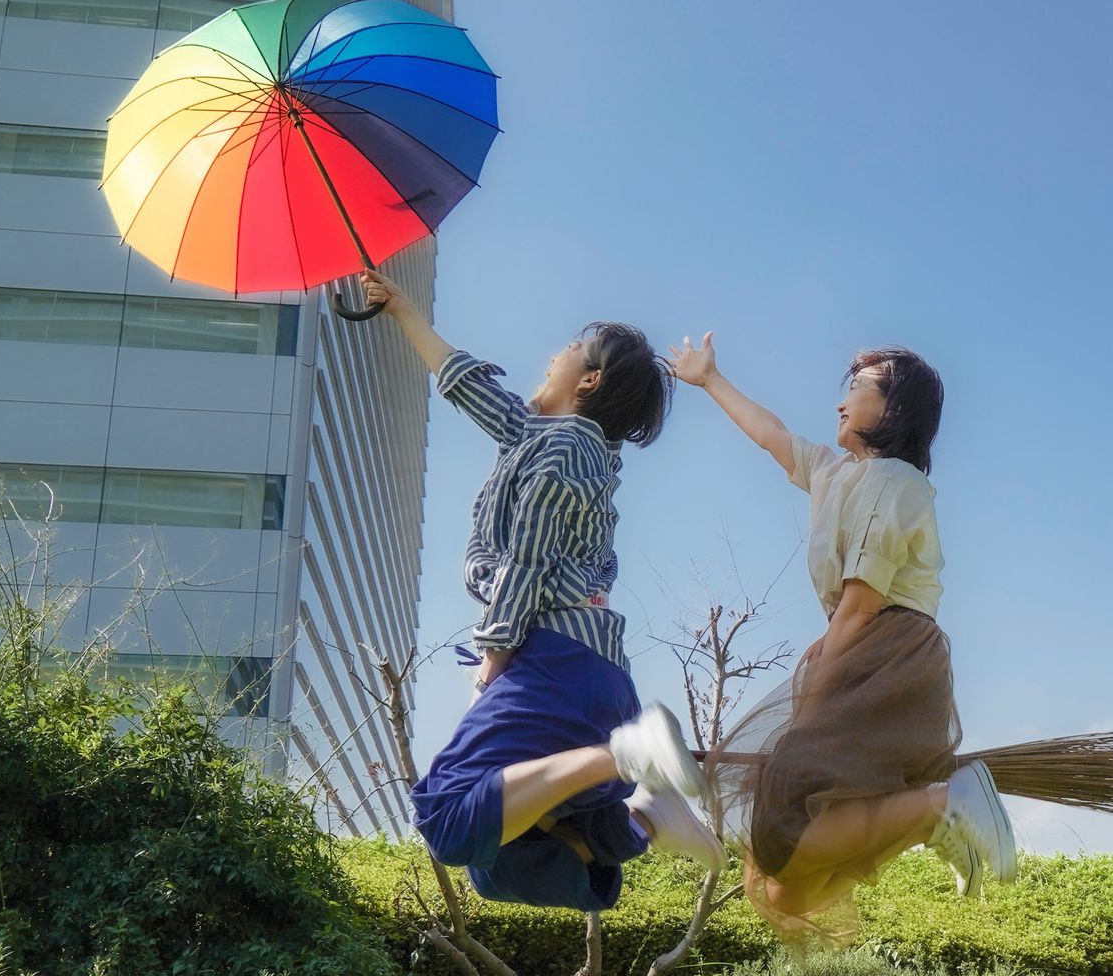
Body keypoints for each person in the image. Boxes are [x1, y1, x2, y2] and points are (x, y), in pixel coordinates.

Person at [360, 267, 723, 913]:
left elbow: (528, 554)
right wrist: (402, 309)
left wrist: (496, 647)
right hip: (588, 672)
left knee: (447, 816)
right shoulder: (541, 437)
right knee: (498, 864)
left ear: (587, 381)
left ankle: (626, 756)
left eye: (568, 352)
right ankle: (639, 817)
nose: (553, 355)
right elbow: (467, 384)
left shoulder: (562, 452)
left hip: (555, 659)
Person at [666, 331, 1018, 933]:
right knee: (784, 893)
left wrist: (817, 693)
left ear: (894, 409)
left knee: (783, 831)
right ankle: (930, 816)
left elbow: (860, 603)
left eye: (857, 388)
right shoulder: (836, 474)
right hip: (861, 645)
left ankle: (942, 807)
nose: (840, 401)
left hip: (886, 651)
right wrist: (709, 380)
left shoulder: (892, 481)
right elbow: (774, 437)